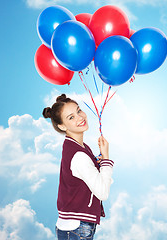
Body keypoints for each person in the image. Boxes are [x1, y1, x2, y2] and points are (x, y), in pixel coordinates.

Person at [43, 94, 114, 240]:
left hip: (74, 227)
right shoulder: (79, 155)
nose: (80, 117)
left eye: (79, 111)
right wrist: (106, 159)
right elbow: (103, 193)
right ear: (62, 126)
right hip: (77, 228)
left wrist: (96, 164)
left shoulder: (79, 147)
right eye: (71, 117)